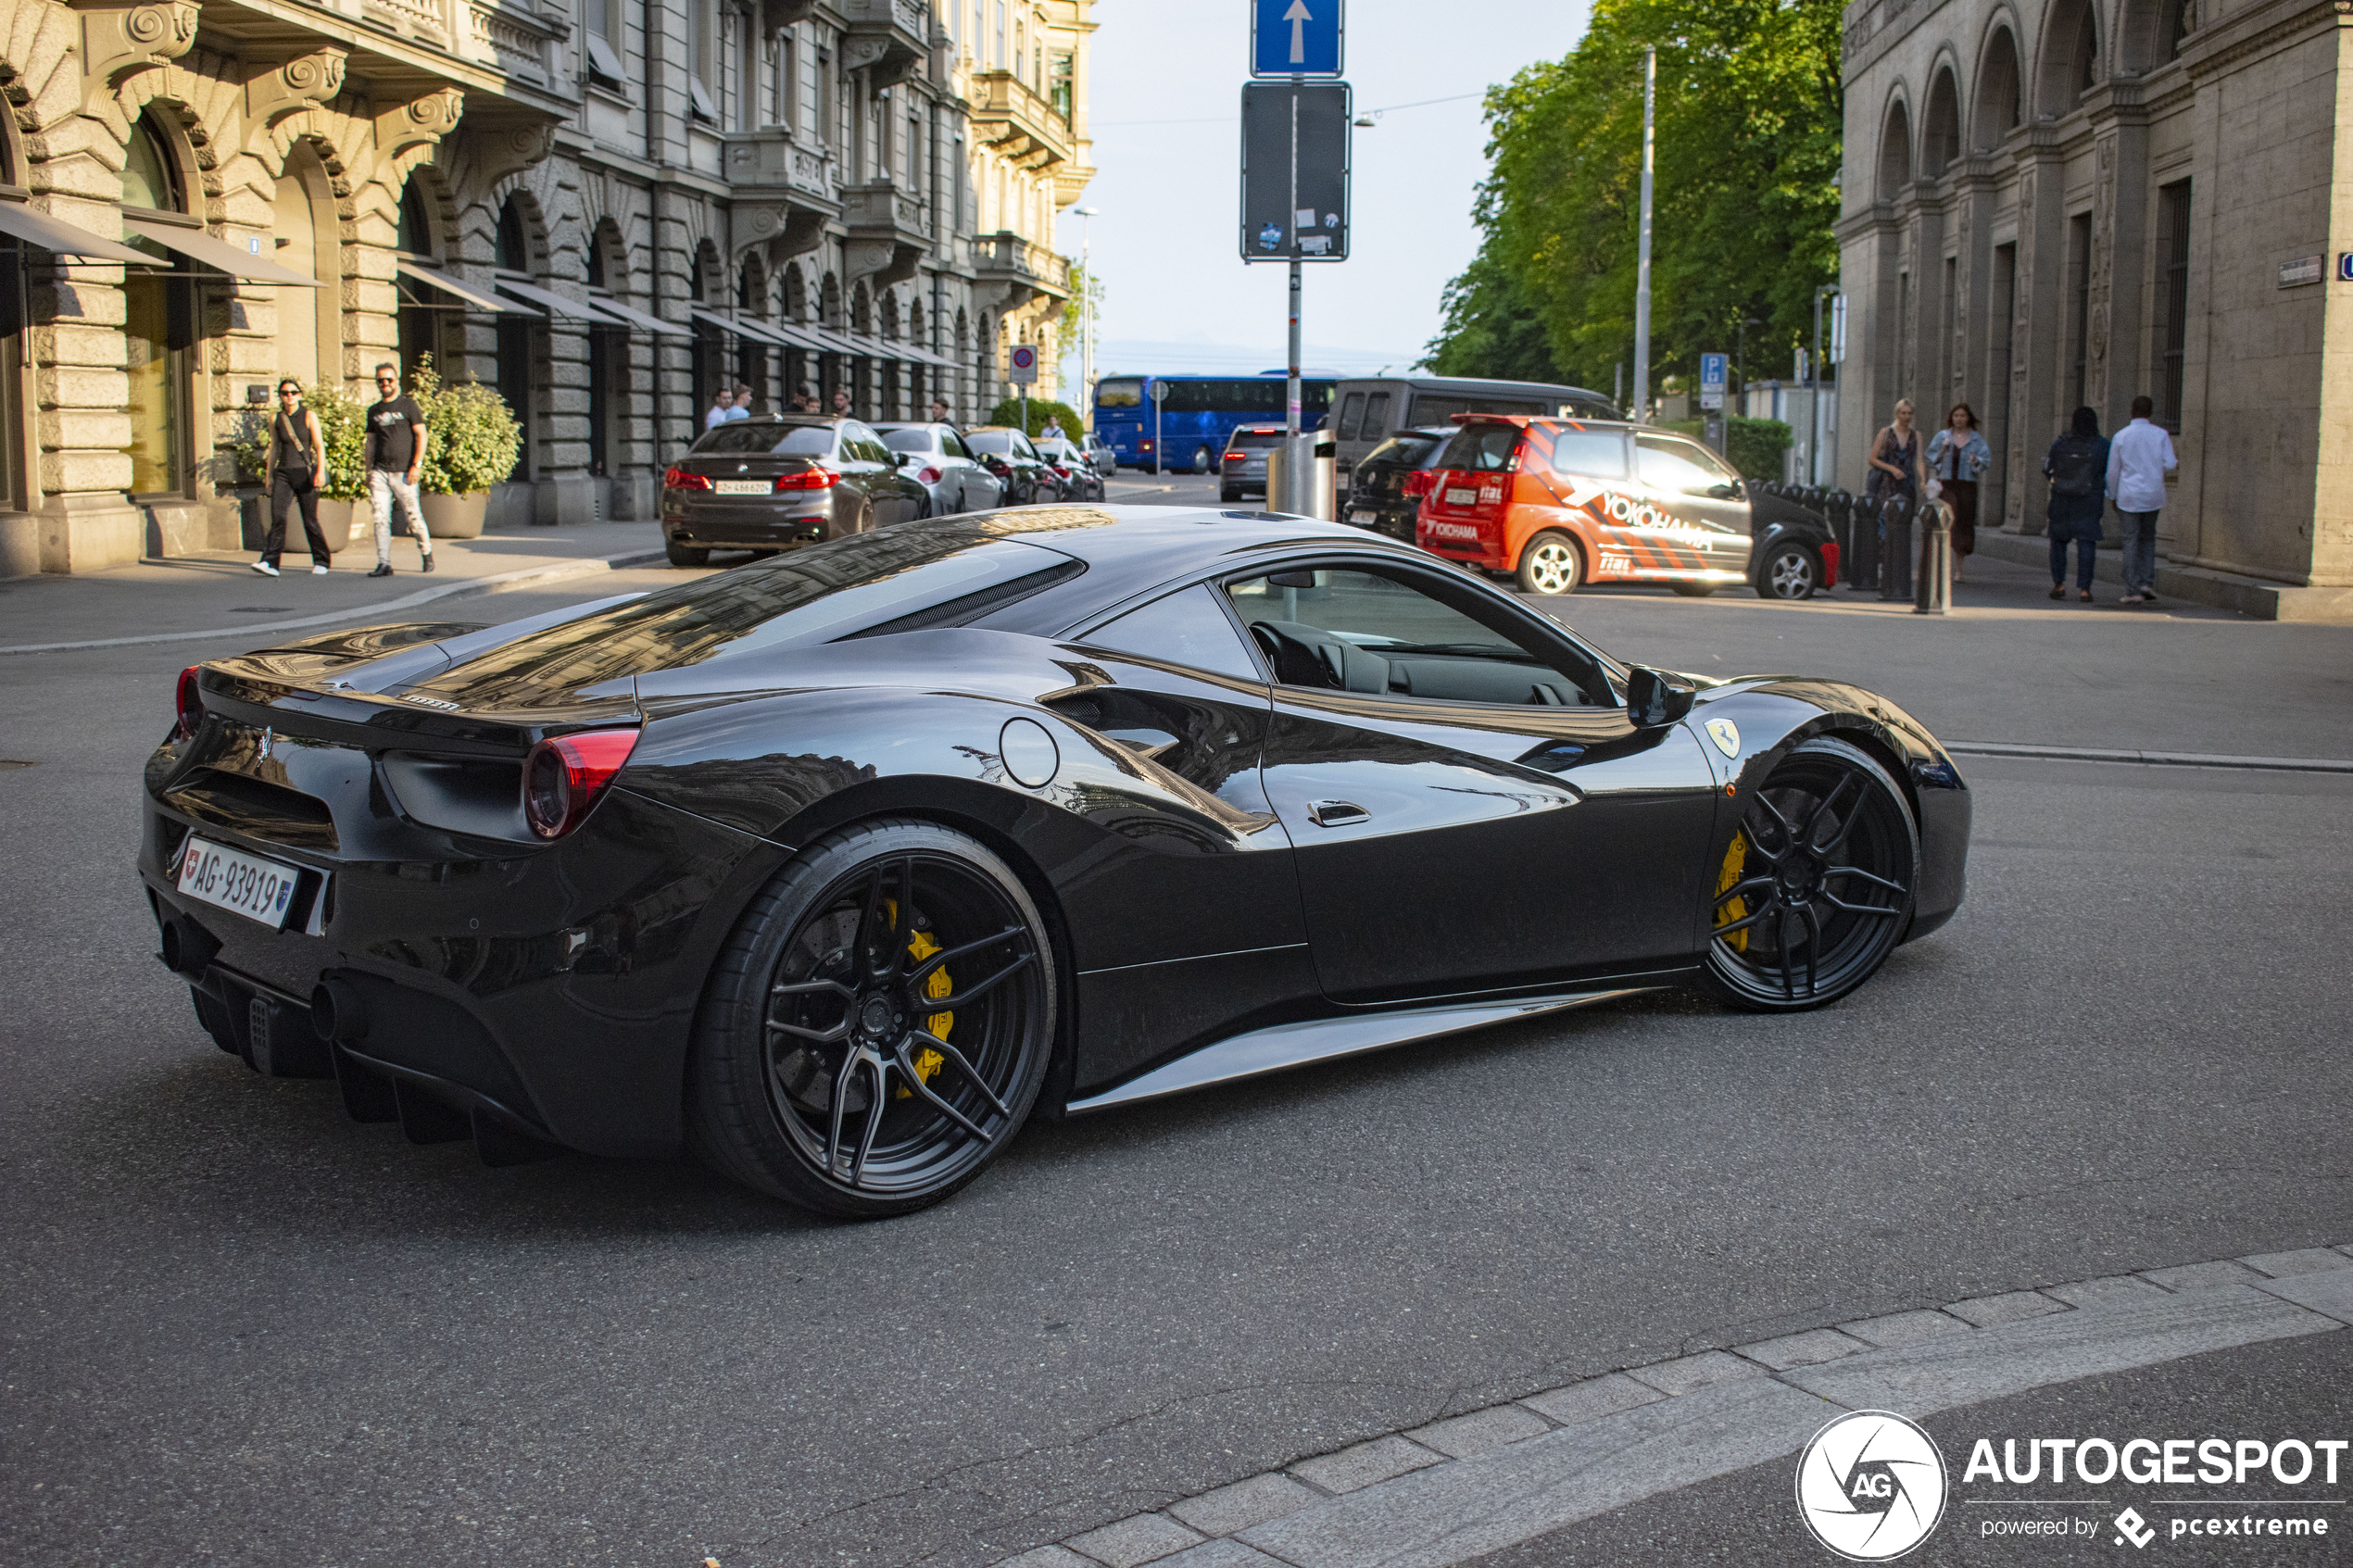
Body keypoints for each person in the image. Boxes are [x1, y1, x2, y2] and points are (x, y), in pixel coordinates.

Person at [253, 378, 331, 577]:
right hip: (283, 472)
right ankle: (270, 562)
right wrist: (269, 476)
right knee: (278, 517)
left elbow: (319, 445)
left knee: (309, 519)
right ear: (280, 396)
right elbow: (274, 448)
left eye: (293, 392)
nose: (289, 396)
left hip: (304, 472)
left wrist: (320, 471)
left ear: (300, 395)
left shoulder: (308, 415)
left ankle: (322, 560)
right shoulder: (276, 419)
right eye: (285, 393)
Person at [2108, 395, 2179, 606]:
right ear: (2150, 412)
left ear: (2132, 410)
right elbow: (2171, 463)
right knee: (2148, 538)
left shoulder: (2121, 436)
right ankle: (2147, 582)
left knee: (2130, 540)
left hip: (2129, 495)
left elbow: (2113, 471)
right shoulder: (2161, 434)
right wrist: (2154, 469)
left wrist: (2112, 494)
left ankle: (2132, 589)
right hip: (2153, 494)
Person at [363, 363, 432, 578]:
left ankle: (426, 553)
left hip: (404, 472)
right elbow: (370, 442)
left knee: (413, 516)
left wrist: (416, 465)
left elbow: (422, 435)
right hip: (380, 472)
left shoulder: (408, 406)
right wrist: (368, 470)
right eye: (380, 380)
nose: (385, 384)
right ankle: (384, 563)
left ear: (397, 380)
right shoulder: (374, 411)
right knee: (380, 517)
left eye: (389, 380)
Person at [2043, 406, 2108, 603]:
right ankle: (2085, 589)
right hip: (2089, 499)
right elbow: (2107, 471)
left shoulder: (2061, 444)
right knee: (2086, 542)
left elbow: (2047, 469)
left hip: (2062, 499)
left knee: (2058, 541)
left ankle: (2058, 584)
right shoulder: (2102, 445)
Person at [1862, 397, 1928, 590]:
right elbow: (1872, 459)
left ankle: (1898, 566)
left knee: (1903, 525)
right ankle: (1883, 567)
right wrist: (1891, 469)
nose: (1906, 417)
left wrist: (1923, 479)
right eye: (1902, 413)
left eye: (1909, 413)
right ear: (1896, 413)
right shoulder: (1886, 433)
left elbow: (1919, 460)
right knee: (1885, 524)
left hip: (1907, 485)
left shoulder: (1916, 435)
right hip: (1888, 484)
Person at [1924, 402, 1992, 583]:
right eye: (1956, 416)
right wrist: (1942, 451)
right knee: (1947, 519)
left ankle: (1959, 568)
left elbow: (1986, 460)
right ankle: (1944, 564)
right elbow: (1930, 457)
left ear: (1968, 418)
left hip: (1967, 485)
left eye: (1962, 416)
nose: (1959, 419)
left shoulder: (1976, 439)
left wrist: (1975, 460)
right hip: (1947, 484)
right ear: (1951, 418)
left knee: (1963, 522)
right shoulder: (1943, 436)